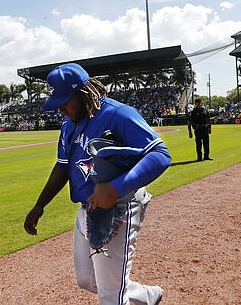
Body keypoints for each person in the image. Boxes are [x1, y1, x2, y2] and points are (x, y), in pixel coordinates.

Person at [24, 63, 170, 305]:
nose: (60, 109)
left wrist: (116, 188)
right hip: (87, 209)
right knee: (87, 280)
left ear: (82, 93)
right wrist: (40, 205)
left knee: (110, 296)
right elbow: (62, 166)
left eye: (64, 101)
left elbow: (160, 154)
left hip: (120, 207)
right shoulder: (69, 124)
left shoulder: (118, 114)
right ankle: (147, 295)